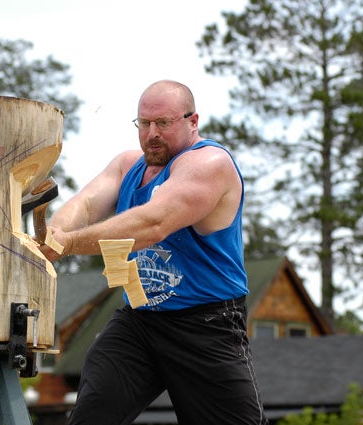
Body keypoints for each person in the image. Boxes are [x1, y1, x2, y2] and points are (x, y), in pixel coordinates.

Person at [39, 80, 268, 425]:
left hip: (206, 325)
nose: (152, 134)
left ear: (193, 122)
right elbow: (85, 204)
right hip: (141, 322)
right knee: (92, 412)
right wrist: (54, 233)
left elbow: (152, 225)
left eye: (164, 123)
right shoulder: (128, 165)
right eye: (144, 124)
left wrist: (67, 245)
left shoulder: (209, 164)